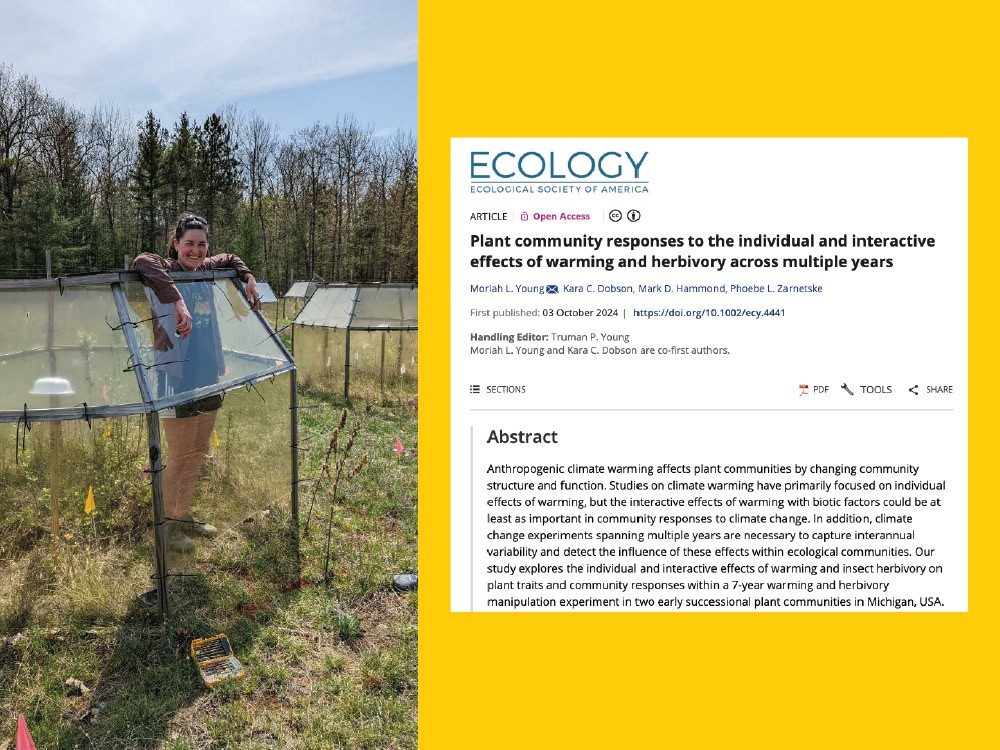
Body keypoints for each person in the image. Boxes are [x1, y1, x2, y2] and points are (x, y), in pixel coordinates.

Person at [133, 213, 261, 553]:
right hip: (177, 375)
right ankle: (163, 527)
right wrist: (177, 300)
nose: (195, 250)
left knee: (198, 451)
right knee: (179, 454)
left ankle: (181, 513)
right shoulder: (164, 269)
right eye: (188, 243)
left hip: (208, 375)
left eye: (201, 244)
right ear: (176, 244)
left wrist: (248, 277)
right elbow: (141, 261)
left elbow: (232, 259)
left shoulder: (206, 268)